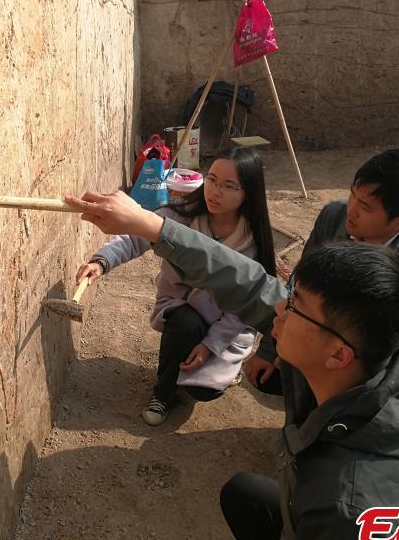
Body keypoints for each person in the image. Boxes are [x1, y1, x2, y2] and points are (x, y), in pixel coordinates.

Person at [64, 190, 399, 540]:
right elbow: (250, 283)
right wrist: (150, 225)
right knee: (245, 496)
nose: (278, 307)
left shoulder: (347, 503)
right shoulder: (381, 362)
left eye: (295, 306)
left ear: (338, 354)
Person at [75, 147, 277, 426]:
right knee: (184, 322)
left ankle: (218, 370)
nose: (215, 192)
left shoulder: (253, 243)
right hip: (181, 309)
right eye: (212, 180)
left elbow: (241, 312)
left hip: (225, 326)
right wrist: (102, 261)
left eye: (229, 186)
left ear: (248, 194)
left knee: (202, 391)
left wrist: (209, 346)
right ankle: (163, 393)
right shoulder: (182, 216)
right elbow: (135, 237)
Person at [245, 147, 399, 394]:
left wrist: (344, 374)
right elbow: (300, 285)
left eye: (365, 207)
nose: (351, 209)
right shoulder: (333, 217)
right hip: (334, 329)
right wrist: (271, 349)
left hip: (381, 351)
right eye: (353, 194)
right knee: (279, 377)